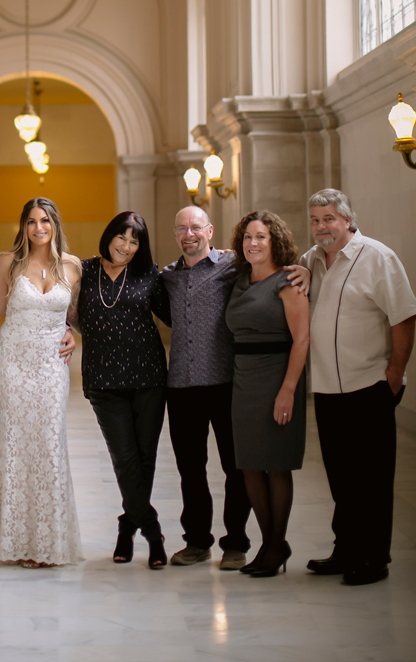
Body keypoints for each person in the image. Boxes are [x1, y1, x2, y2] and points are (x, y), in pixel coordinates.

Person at [302, 189, 416, 586]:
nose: (321, 226)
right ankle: (346, 549)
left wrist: (394, 373)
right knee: (341, 477)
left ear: (348, 219)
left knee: (372, 478)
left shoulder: (378, 257)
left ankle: (374, 558)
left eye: (329, 218)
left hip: (369, 385)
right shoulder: (311, 261)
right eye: (316, 219)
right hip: (327, 389)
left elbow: (404, 317)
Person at [0, 197, 83, 566]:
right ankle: (16, 543)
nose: (39, 228)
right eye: (32, 221)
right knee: (16, 446)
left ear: (55, 225)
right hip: (14, 364)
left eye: (46, 221)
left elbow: (76, 316)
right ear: (23, 226)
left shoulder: (72, 267)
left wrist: (73, 333)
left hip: (52, 368)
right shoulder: (9, 263)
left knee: (48, 446)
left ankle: (47, 543)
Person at [73, 211, 171, 569]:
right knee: (125, 459)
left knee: (144, 460)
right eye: (121, 237)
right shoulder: (82, 271)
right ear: (109, 235)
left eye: (134, 241)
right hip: (103, 382)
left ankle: (127, 528)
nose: (126, 246)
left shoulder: (150, 274)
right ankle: (153, 531)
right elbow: (61, 312)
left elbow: (178, 315)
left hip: (149, 379)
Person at [160, 206, 252, 570]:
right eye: (181, 228)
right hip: (181, 385)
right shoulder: (166, 276)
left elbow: (272, 264)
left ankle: (237, 542)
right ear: (175, 234)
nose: (189, 234)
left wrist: (303, 271)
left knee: (235, 468)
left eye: (195, 227)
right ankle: (197, 542)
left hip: (226, 383)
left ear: (210, 231)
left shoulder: (232, 267)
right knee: (191, 470)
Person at [225, 210, 310, 578]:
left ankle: (277, 543)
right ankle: (269, 542)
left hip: (278, 377)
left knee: (276, 465)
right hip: (243, 381)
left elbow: (302, 338)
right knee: (249, 467)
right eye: (247, 237)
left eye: (260, 236)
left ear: (274, 240)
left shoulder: (289, 281)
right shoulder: (239, 280)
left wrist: (288, 391)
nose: (253, 243)